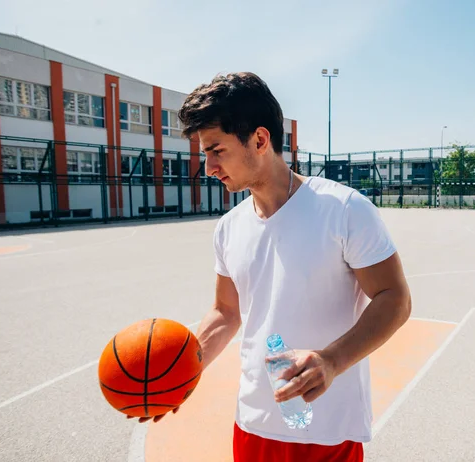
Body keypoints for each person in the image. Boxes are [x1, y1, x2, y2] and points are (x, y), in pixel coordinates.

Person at [131, 72, 412, 462]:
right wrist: (183, 372)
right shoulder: (229, 228)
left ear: (260, 140)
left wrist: (331, 360)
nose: (208, 166)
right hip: (254, 425)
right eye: (205, 154)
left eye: (217, 150)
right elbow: (226, 312)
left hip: (325, 429)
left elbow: (394, 298)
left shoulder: (344, 210)